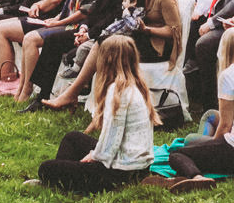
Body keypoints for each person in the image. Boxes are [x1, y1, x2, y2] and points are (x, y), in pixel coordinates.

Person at [44, 0, 181, 109]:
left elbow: (174, 32)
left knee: (105, 44)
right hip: (142, 38)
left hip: (157, 48)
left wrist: (147, 29)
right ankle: (83, 94)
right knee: (104, 42)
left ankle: (75, 93)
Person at [29, 36, 157, 192]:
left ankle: (60, 180)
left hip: (121, 173)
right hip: (138, 167)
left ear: (107, 61)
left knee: (46, 168)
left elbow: (113, 138)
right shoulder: (136, 86)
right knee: (72, 138)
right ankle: (64, 179)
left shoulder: (118, 91)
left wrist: (95, 156)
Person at [160, 27, 234, 192]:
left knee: (178, 154)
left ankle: (197, 178)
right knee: (198, 143)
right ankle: (194, 167)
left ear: (223, 49)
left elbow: (225, 125)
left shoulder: (229, 74)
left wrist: (211, 148)